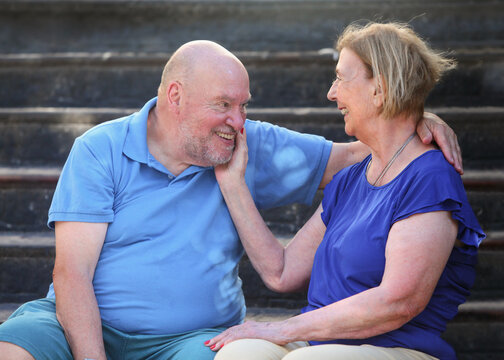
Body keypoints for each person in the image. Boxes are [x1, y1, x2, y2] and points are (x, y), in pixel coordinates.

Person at [0, 40, 461, 360]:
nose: (237, 121)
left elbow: (368, 151)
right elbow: (71, 273)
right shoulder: (100, 148)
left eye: (244, 106)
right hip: (72, 325)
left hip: (188, 340)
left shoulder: (247, 145)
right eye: (223, 105)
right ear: (175, 96)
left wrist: (415, 117)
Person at [207, 23, 485, 360]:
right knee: (241, 354)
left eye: (341, 78)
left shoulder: (429, 178)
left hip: (399, 346)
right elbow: (282, 272)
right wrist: (233, 183)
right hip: (318, 342)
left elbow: (399, 302)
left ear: (379, 90)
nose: (331, 93)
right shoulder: (351, 179)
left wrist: (280, 328)